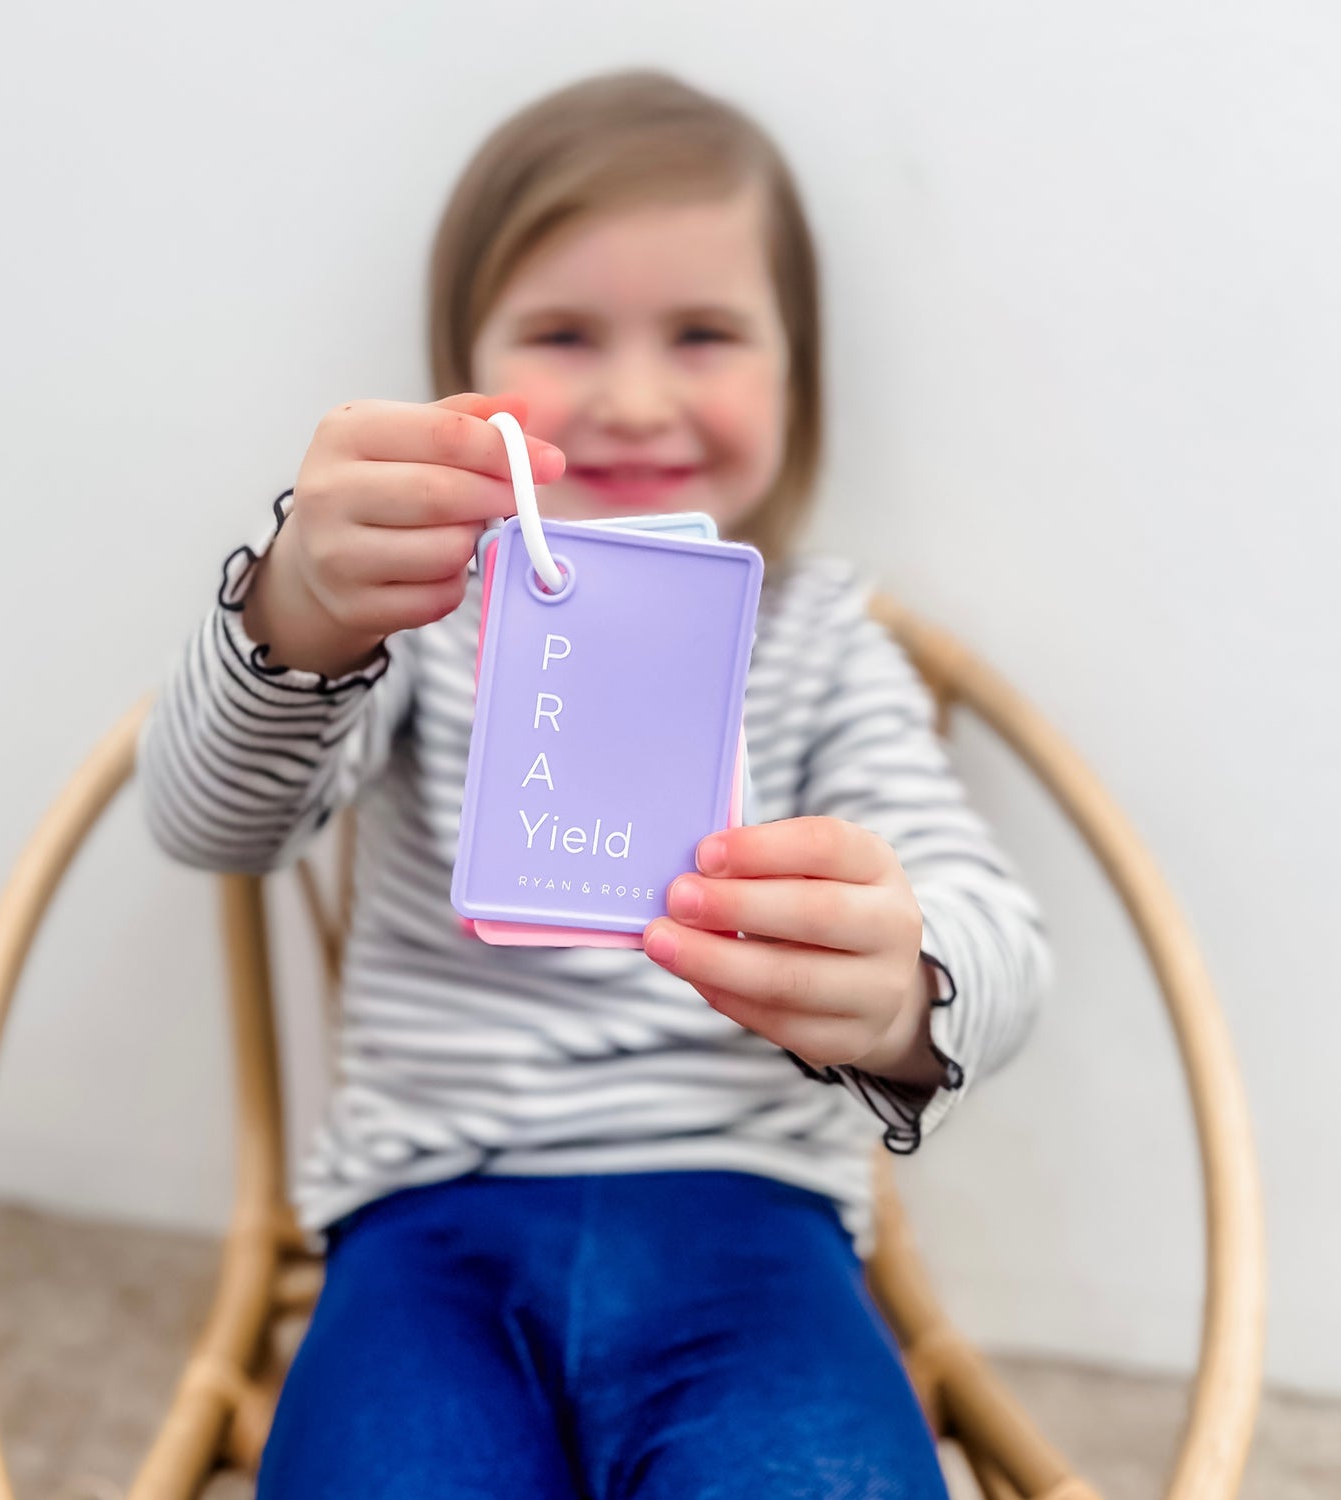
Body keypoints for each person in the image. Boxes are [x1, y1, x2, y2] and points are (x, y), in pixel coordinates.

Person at [139, 68, 1052, 1500]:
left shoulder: (823, 643)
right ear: (466, 375)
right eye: (564, 335)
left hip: (755, 1227)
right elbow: (210, 826)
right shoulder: (415, 625)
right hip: (423, 1228)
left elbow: (1004, 940)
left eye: (705, 334)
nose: (632, 398)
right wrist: (300, 609)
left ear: (796, 376)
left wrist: (908, 990)